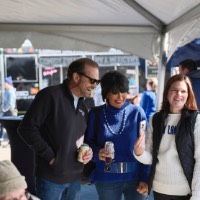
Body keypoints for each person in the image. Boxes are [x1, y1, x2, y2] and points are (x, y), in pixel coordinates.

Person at [18, 58, 100, 200]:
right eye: (92, 81)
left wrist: (88, 151)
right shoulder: (50, 95)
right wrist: (51, 157)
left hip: (75, 178)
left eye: (97, 82)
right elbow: (26, 129)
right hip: (51, 178)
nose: (94, 86)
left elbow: (81, 139)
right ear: (76, 77)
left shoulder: (82, 106)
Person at [85, 71, 151, 200]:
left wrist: (145, 177)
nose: (120, 97)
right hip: (106, 178)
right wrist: (98, 153)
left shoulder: (137, 113)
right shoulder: (96, 114)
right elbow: (87, 144)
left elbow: (147, 147)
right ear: (106, 93)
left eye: (123, 91)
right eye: (115, 92)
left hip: (136, 178)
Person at [134, 74, 200, 200]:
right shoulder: (156, 119)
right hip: (160, 189)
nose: (178, 94)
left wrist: (197, 195)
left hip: (185, 192)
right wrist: (138, 152)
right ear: (167, 92)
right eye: (174, 90)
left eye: (183, 91)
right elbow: (149, 158)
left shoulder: (195, 120)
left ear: (188, 94)